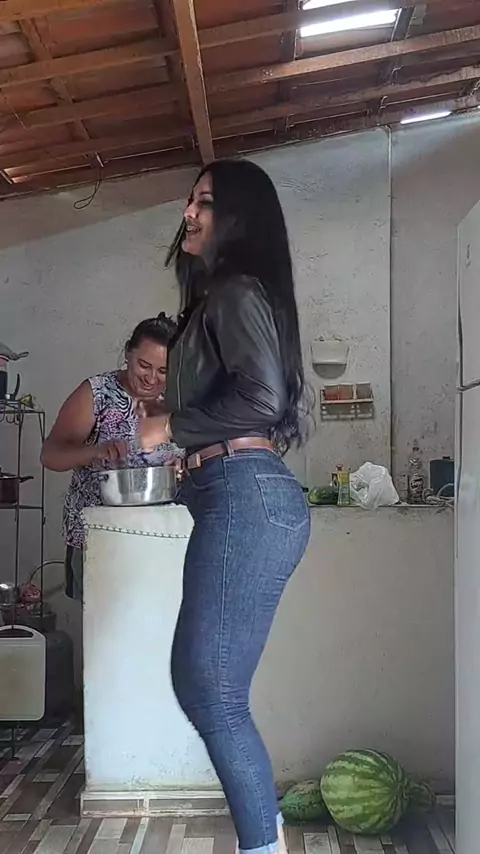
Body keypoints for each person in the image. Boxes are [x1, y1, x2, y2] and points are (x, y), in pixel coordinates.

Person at [137, 159, 311, 854]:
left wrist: (169, 427)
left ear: (239, 216)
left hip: (246, 493)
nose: (188, 213)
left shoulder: (237, 291)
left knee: (209, 688)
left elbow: (262, 399)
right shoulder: (219, 299)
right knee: (205, 684)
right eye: (190, 200)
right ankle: (265, 833)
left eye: (204, 202)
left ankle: (263, 844)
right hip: (233, 496)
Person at [41, 314, 182, 602]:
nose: (151, 378)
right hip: (99, 538)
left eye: (163, 371)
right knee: (102, 624)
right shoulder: (97, 394)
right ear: (128, 353)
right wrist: (93, 452)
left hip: (161, 539)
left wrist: (184, 466)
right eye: (144, 365)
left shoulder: (179, 401)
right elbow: (50, 455)